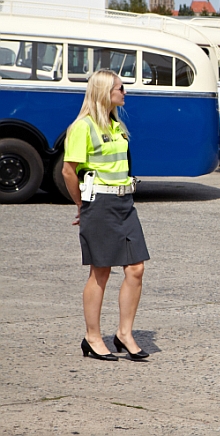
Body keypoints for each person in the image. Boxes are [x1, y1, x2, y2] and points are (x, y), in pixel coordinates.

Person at [62, 69, 150, 361]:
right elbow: (68, 170)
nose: (125, 93)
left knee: (136, 268)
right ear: (104, 92)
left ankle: (124, 334)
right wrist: (80, 205)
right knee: (100, 272)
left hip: (125, 203)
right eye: (120, 88)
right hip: (99, 203)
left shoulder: (117, 125)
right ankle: (92, 336)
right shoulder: (82, 128)